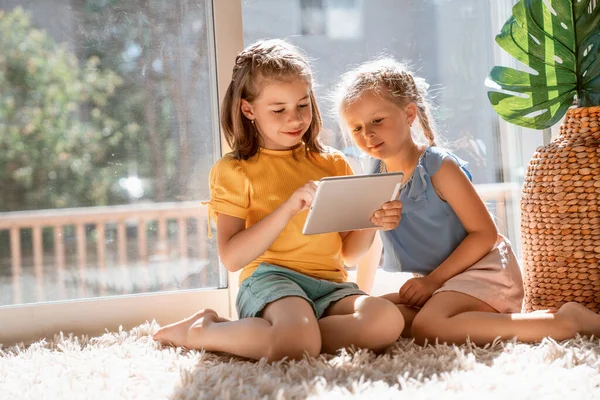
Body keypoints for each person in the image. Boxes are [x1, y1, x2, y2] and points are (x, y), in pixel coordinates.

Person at [153, 40, 404, 361]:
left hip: (330, 285)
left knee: (387, 320)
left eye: (303, 105)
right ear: (248, 109)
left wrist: (372, 222)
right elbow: (232, 258)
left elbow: (349, 255)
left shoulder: (334, 163)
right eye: (279, 109)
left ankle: (293, 336)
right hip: (271, 281)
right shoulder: (236, 169)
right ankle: (202, 330)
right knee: (297, 342)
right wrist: (287, 209)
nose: (295, 119)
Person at [332, 57, 600, 346]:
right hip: (441, 280)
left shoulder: (439, 167)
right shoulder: (375, 172)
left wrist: (433, 283)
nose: (368, 134)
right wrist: (365, 289)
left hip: (482, 272)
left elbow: (485, 234)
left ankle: (565, 322)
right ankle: (490, 319)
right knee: (382, 311)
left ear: (409, 115)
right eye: (356, 128)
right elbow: (366, 248)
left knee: (429, 327)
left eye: (377, 121)